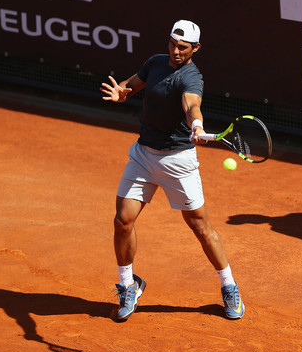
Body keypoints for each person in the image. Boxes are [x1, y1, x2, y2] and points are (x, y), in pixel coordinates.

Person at [100, 20, 245, 320]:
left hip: (178, 161)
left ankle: (228, 285)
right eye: (172, 44)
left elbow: (192, 105)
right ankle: (129, 285)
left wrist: (197, 125)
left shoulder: (191, 77)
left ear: (196, 49)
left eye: (183, 47)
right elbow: (133, 83)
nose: (176, 51)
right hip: (143, 154)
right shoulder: (155, 62)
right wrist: (123, 92)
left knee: (200, 226)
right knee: (122, 221)